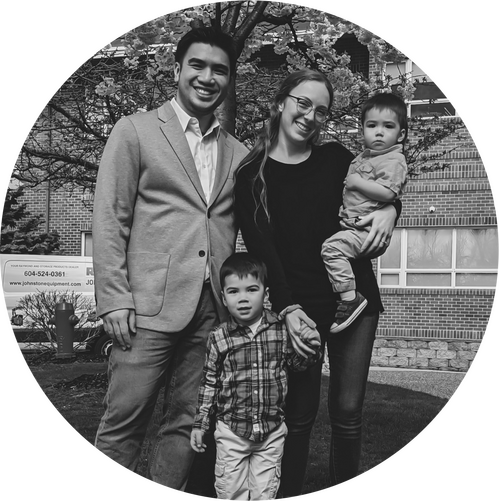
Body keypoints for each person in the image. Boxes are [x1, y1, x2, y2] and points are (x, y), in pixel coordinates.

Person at [92, 27, 248, 492]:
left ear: (229, 79)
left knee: (187, 423)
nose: (207, 77)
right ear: (177, 69)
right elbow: (110, 217)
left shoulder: (239, 153)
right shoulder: (135, 131)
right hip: (144, 309)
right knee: (124, 420)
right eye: (197, 65)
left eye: (219, 70)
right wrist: (114, 298)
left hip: (211, 311)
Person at [234, 69, 401, 496]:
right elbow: (263, 254)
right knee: (298, 414)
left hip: (354, 302)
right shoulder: (251, 175)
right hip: (300, 308)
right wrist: (287, 309)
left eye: (321, 110)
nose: (310, 116)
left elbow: (378, 189)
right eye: (303, 103)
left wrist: (392, 210)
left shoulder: (337, 158)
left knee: (347, 412)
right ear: (281, 102)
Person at [190, 252, 321, 500]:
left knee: (265, 493)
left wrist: (311, 350)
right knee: (230, 492)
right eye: (233, 291)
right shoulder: (219, 337)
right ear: (223, 298)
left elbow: (296, 365)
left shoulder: (280, 329)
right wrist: (201, 424)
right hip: (232, 431)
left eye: (251, 289)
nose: (243, 298)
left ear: (266, 294)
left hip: (271, 432)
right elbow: (209, 383)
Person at [321, 93, 408, 333]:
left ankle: (350, 299)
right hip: (355, 227)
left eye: (388, 126)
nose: (379, 132)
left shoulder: (393, 160)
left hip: (367, 232)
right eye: (372, 126)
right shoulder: (364, 158)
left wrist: (358, 183)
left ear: (400, 134)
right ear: (362, 130)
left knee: (331, 249)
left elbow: (389, 193)